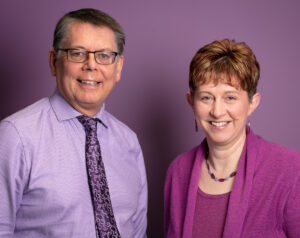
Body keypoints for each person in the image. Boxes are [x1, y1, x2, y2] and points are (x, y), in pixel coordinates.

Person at [0, 8, 147, 238]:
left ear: (118, 67)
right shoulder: (16, 136)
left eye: (104, 55)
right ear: (53, 61)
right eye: (77, 53)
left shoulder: (129, 142)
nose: (91, 65)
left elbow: (138, 232)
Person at [164, 39, 300, 238]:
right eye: (206, 97)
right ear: (191, 101)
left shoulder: (290, 170)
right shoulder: (178, 172)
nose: (217, 112)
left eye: (230, 97)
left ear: (252, 103)